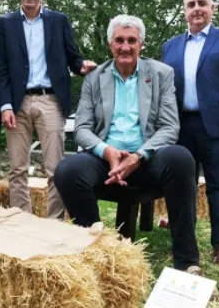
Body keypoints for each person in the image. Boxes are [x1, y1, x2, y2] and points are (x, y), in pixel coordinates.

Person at [55, 16, 201, 273]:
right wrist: (107, 151)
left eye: (131, 40)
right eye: (119, 40)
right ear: (111, 44)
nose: (125, 46)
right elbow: (82, 129)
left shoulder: (161, 74)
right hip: (105, 160)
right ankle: (97, 251)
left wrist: (139, 156)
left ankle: (187, 261)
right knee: (67, 170)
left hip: (147, 158)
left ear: (141, 44)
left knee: (181, 159)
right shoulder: (94, 78)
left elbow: (169, 127)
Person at [0, 0, 96, 220]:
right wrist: (5, 104)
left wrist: (82, 66)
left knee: (55, 169)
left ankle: (54, 223)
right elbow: (1, 69)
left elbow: (73, 55)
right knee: (17, 169)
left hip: (50, 100)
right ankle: (21, 221)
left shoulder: (58, 21)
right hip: (16, 104)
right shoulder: (5, 24)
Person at [161, 0, 219, 265]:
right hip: (180, 127)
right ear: (184, 11)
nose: (196, 8)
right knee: (181, 187)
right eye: (191, 4)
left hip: (216, 128)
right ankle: (183, 243)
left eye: (202, 3)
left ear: (213, 8)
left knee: (218, 186)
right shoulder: (170, 46)